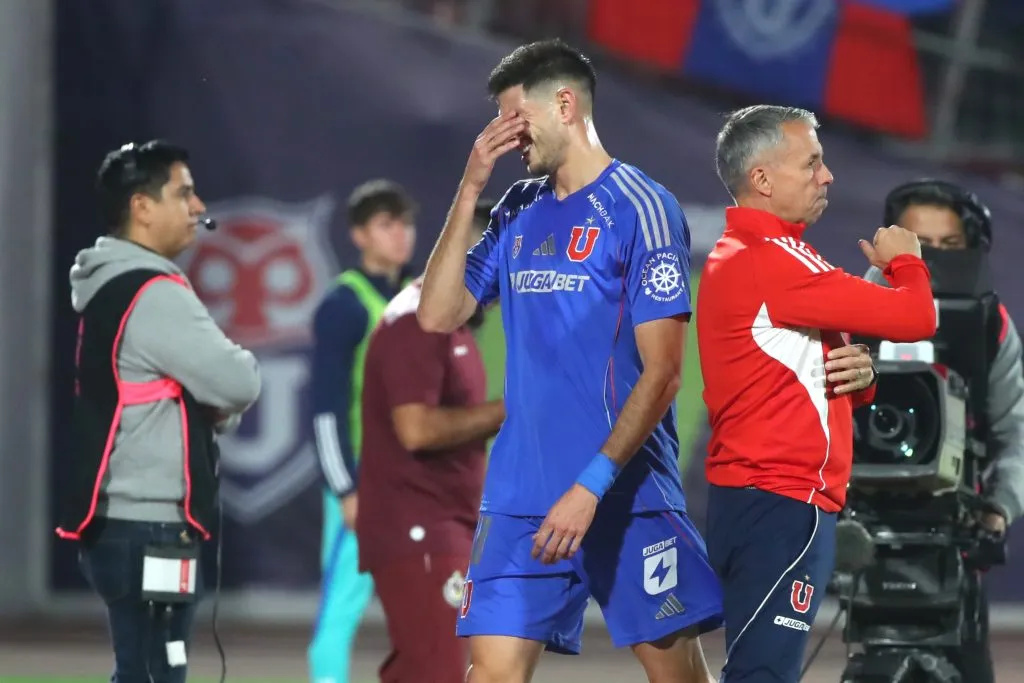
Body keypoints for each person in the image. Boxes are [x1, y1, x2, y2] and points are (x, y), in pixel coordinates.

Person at [418, 39, 723, 683]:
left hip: (624, 494)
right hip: (520, 498)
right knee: (491, 674)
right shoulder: (516, 207)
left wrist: (590, 486)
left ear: (564, 104)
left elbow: (665, 373)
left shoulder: (643, 208)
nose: (505, 136)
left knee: (679, 680)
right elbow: (437, 314)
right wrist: (471, 184)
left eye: (513, 118)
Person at [697, 105, 937, 683]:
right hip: (784, 504)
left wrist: (863, 377)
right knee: (763, 676)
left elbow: (792, 379)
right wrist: (907, 258)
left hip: (746, 500)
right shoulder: (778, 261)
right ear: (762, 180)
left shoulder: (734, 257)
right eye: (812, 163)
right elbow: (916, 314)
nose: (826, 176)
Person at [57, 140, 262, 683]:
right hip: (148, 524)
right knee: (154, 674)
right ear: (142, 207)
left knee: (143, 671)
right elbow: (239, 381)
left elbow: (208, 395)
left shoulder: (110, 283)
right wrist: (220, 393)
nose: (198, 207)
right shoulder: (153, 292)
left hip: (124, 523)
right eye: (184, 192)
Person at [864, 178, 1024, 683]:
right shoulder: (846, 306)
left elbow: (1015, 433)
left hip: (955, 538)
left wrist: (998, 510)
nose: (930, 260)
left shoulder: (989, 324)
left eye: (948, 248)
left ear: (973, 249)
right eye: (917, 245)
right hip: (864, 528)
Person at [357, 199, 505, 683]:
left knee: (432, 670)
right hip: (418, 526)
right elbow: (416, 429)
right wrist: (513, 409)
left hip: (446, 525)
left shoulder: (451, 322)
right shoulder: (419, 317)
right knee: (438, 671)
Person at [308, 179, 417, 683]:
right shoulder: (344, 305)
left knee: (425, 606)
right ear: (358, 235)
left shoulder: (417, 298)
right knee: (342, 608)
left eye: (406, 223)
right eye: (385, 224)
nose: (400, 235)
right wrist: (344, 488)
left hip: (414, 483)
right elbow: (326, 408)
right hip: (365, 483)